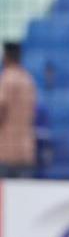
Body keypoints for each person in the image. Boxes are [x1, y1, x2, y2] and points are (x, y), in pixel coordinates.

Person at [0, 43, 37, 178]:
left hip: (6, 152)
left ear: (6, 57)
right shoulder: (28, 80)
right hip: (26, 150)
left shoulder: (5, 79)